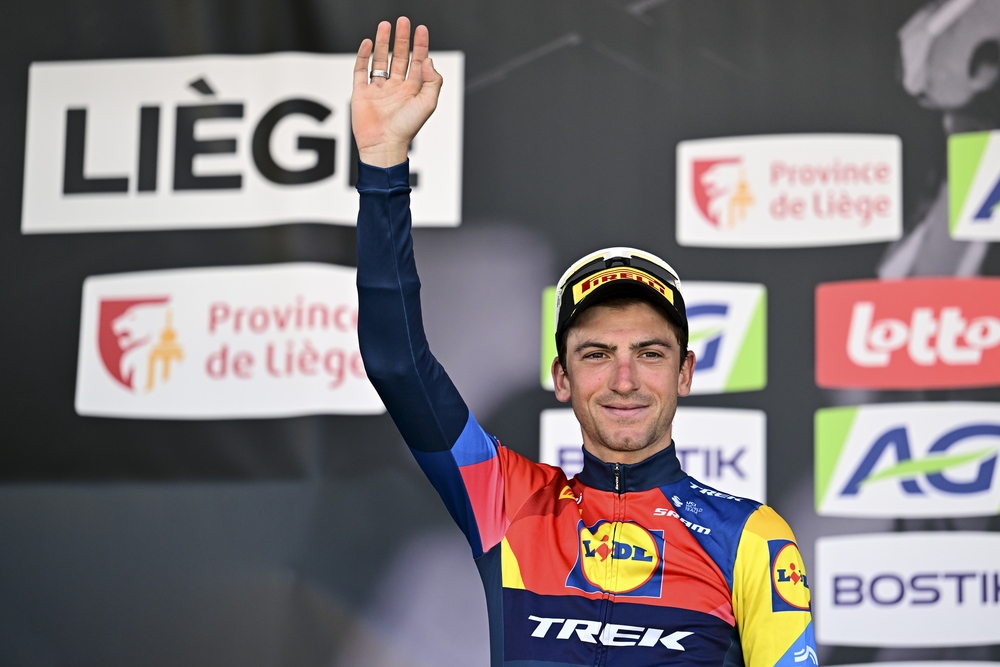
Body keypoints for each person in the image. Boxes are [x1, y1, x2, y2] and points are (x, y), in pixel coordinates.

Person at [352, 17, 816, 667]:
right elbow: (397, 362)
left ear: (685, 373)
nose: (624, 377)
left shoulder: (752, 538)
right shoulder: (509, 507)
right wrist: (383, 164)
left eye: (649, 353)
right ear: (561, 377)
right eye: (597, 354)